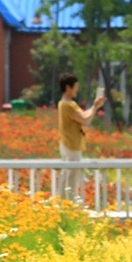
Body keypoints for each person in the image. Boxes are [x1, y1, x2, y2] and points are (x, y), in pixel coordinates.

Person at [57, 73, 106, 202]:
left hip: (67, 143)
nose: (77, 89)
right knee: (71, 177)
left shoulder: (63, 103)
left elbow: (83, 116)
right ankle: (69, 205)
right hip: (71, 144)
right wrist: (95, 106)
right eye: (76, 86)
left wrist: (94, 107)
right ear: (68, 87)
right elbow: (85, 118)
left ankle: (63, 202)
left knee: (67, 175)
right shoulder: (69, 104)